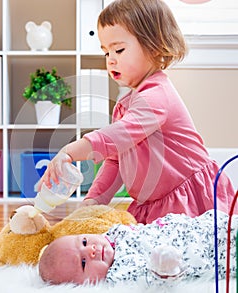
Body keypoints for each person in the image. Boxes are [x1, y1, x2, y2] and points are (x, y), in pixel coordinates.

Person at [37, 0, 237, 224]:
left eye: (119, 50)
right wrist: (93, 202)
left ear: (154, 46)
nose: (110, 59)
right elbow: (114, 162)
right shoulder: (125, 105)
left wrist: (71, 150)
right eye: (106, 52)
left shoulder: (156, 96)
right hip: (154, 203)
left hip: (191, 199)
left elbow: (117, 136)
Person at [38, 210, 237, 287]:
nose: (90, 250)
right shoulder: (120, 274)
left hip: (207, 224)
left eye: (83, 242)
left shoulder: (113, 233)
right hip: (212, 250)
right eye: (83, 263)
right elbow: (153, 278)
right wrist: (164, 268)